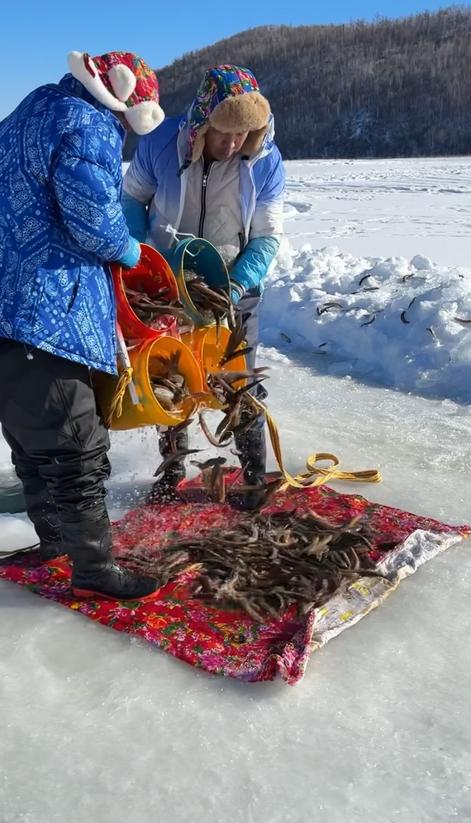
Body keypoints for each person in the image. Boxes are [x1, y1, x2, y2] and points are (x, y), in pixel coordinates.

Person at [0, 50, 165, 600]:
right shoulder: (85, 123)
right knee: (76, 447)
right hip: (48, 311)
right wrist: (130, 251)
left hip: (6, 307)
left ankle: (54, 541)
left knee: (30, 437)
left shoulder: (32, 108)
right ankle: (94, 570)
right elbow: (94, 222)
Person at [122, 65, 285, 508]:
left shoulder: (266, 161)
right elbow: (132, 198)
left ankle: (253, 478)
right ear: (201, 122)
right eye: (223, 133)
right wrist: (140, 259)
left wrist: (235, 286)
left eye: (242, 135)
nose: (231, 144)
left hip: (232, 281)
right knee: (170, 377)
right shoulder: (160, 143)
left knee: (238, 380)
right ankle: (172, 472)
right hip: (167, 283)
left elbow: (267, 236)